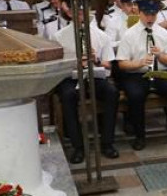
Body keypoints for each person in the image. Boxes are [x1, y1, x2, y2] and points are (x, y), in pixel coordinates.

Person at [115, 0, 167, 150]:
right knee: (135, 95)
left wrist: (160, 55)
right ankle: (139, 136)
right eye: (147, 14)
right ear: (139, 13)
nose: (150, 18)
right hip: (137, 74)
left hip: (159, 73)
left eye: (153, 14)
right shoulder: (129, 34)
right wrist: (140, 62)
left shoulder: (163, 33)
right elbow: (121, 63)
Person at [52, 11, 121, 163]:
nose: (81, 15)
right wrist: (76, 62)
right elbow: (56, 65)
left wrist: (95, 59)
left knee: (112, 92)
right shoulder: (59, 36)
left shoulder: (101, 35)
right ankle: (78, 147)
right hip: (71, 76)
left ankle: (107, 142)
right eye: (78, 12)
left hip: (94, 74)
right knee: (68, 96)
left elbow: (108, 63)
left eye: (84, 12)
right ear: (70, 12)